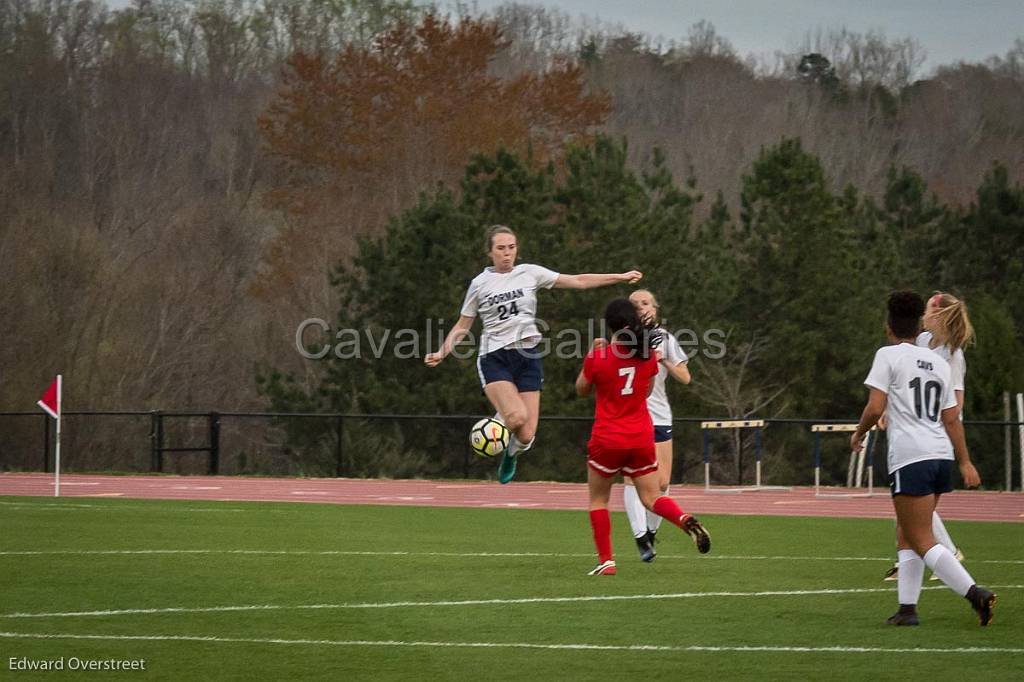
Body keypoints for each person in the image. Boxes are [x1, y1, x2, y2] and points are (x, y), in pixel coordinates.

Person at [425, 225, 642, 484]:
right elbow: (463, 325)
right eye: (501, 248)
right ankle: (494, 429)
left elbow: (578, 280)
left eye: (511, 247)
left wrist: (619, 276)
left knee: (526, 435)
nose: (507, 253)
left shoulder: (530, 273)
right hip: (495, 358)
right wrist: (443, 351)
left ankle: (510, 452)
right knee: (515, 416)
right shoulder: (479, 284)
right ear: (490, 252)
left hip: (528, 357)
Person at [851, 290, 995, 626]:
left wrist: (859, 433)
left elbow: (875, 407)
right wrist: (964, 461)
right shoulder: (938, 363)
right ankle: (907, 610)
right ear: (919, 326)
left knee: (920, 537)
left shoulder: (888, 355)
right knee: (907, 533)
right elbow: (951, 418)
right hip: (940, 455)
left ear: (889, 326)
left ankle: (975, 593)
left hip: (910, 455)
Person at [575, 298, 710, 576]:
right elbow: (647, 392)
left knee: (599, 500)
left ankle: (607, 561)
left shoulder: (599, 357)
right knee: (652, 496)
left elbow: (582, 390)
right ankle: (683, 518)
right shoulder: (647, 356)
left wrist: (590, 355)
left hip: (607, 438)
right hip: (640, 436)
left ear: (610, 326)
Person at [884, 291, 975, 581]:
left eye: (926, 310)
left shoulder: (953, 354)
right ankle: (918, 560)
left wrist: (928, 417)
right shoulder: (922, 342)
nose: (922, 316)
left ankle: (941, 555)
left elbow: (956, 402)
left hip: (936, 432)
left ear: (936, 314)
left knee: (911, 501)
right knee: (910, 502)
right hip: (916, 429)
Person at [621, 289, 691, 562]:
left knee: (661, 483)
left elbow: (685, 377)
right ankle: (640, 538)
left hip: (660, 416)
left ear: (655, 307)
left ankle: (650, 533)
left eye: (645, 303)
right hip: (632, 415)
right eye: (635, 305)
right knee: (631, 478)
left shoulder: (667, 340)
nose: (641, 308)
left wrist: (663, 360)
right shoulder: (624, 339)